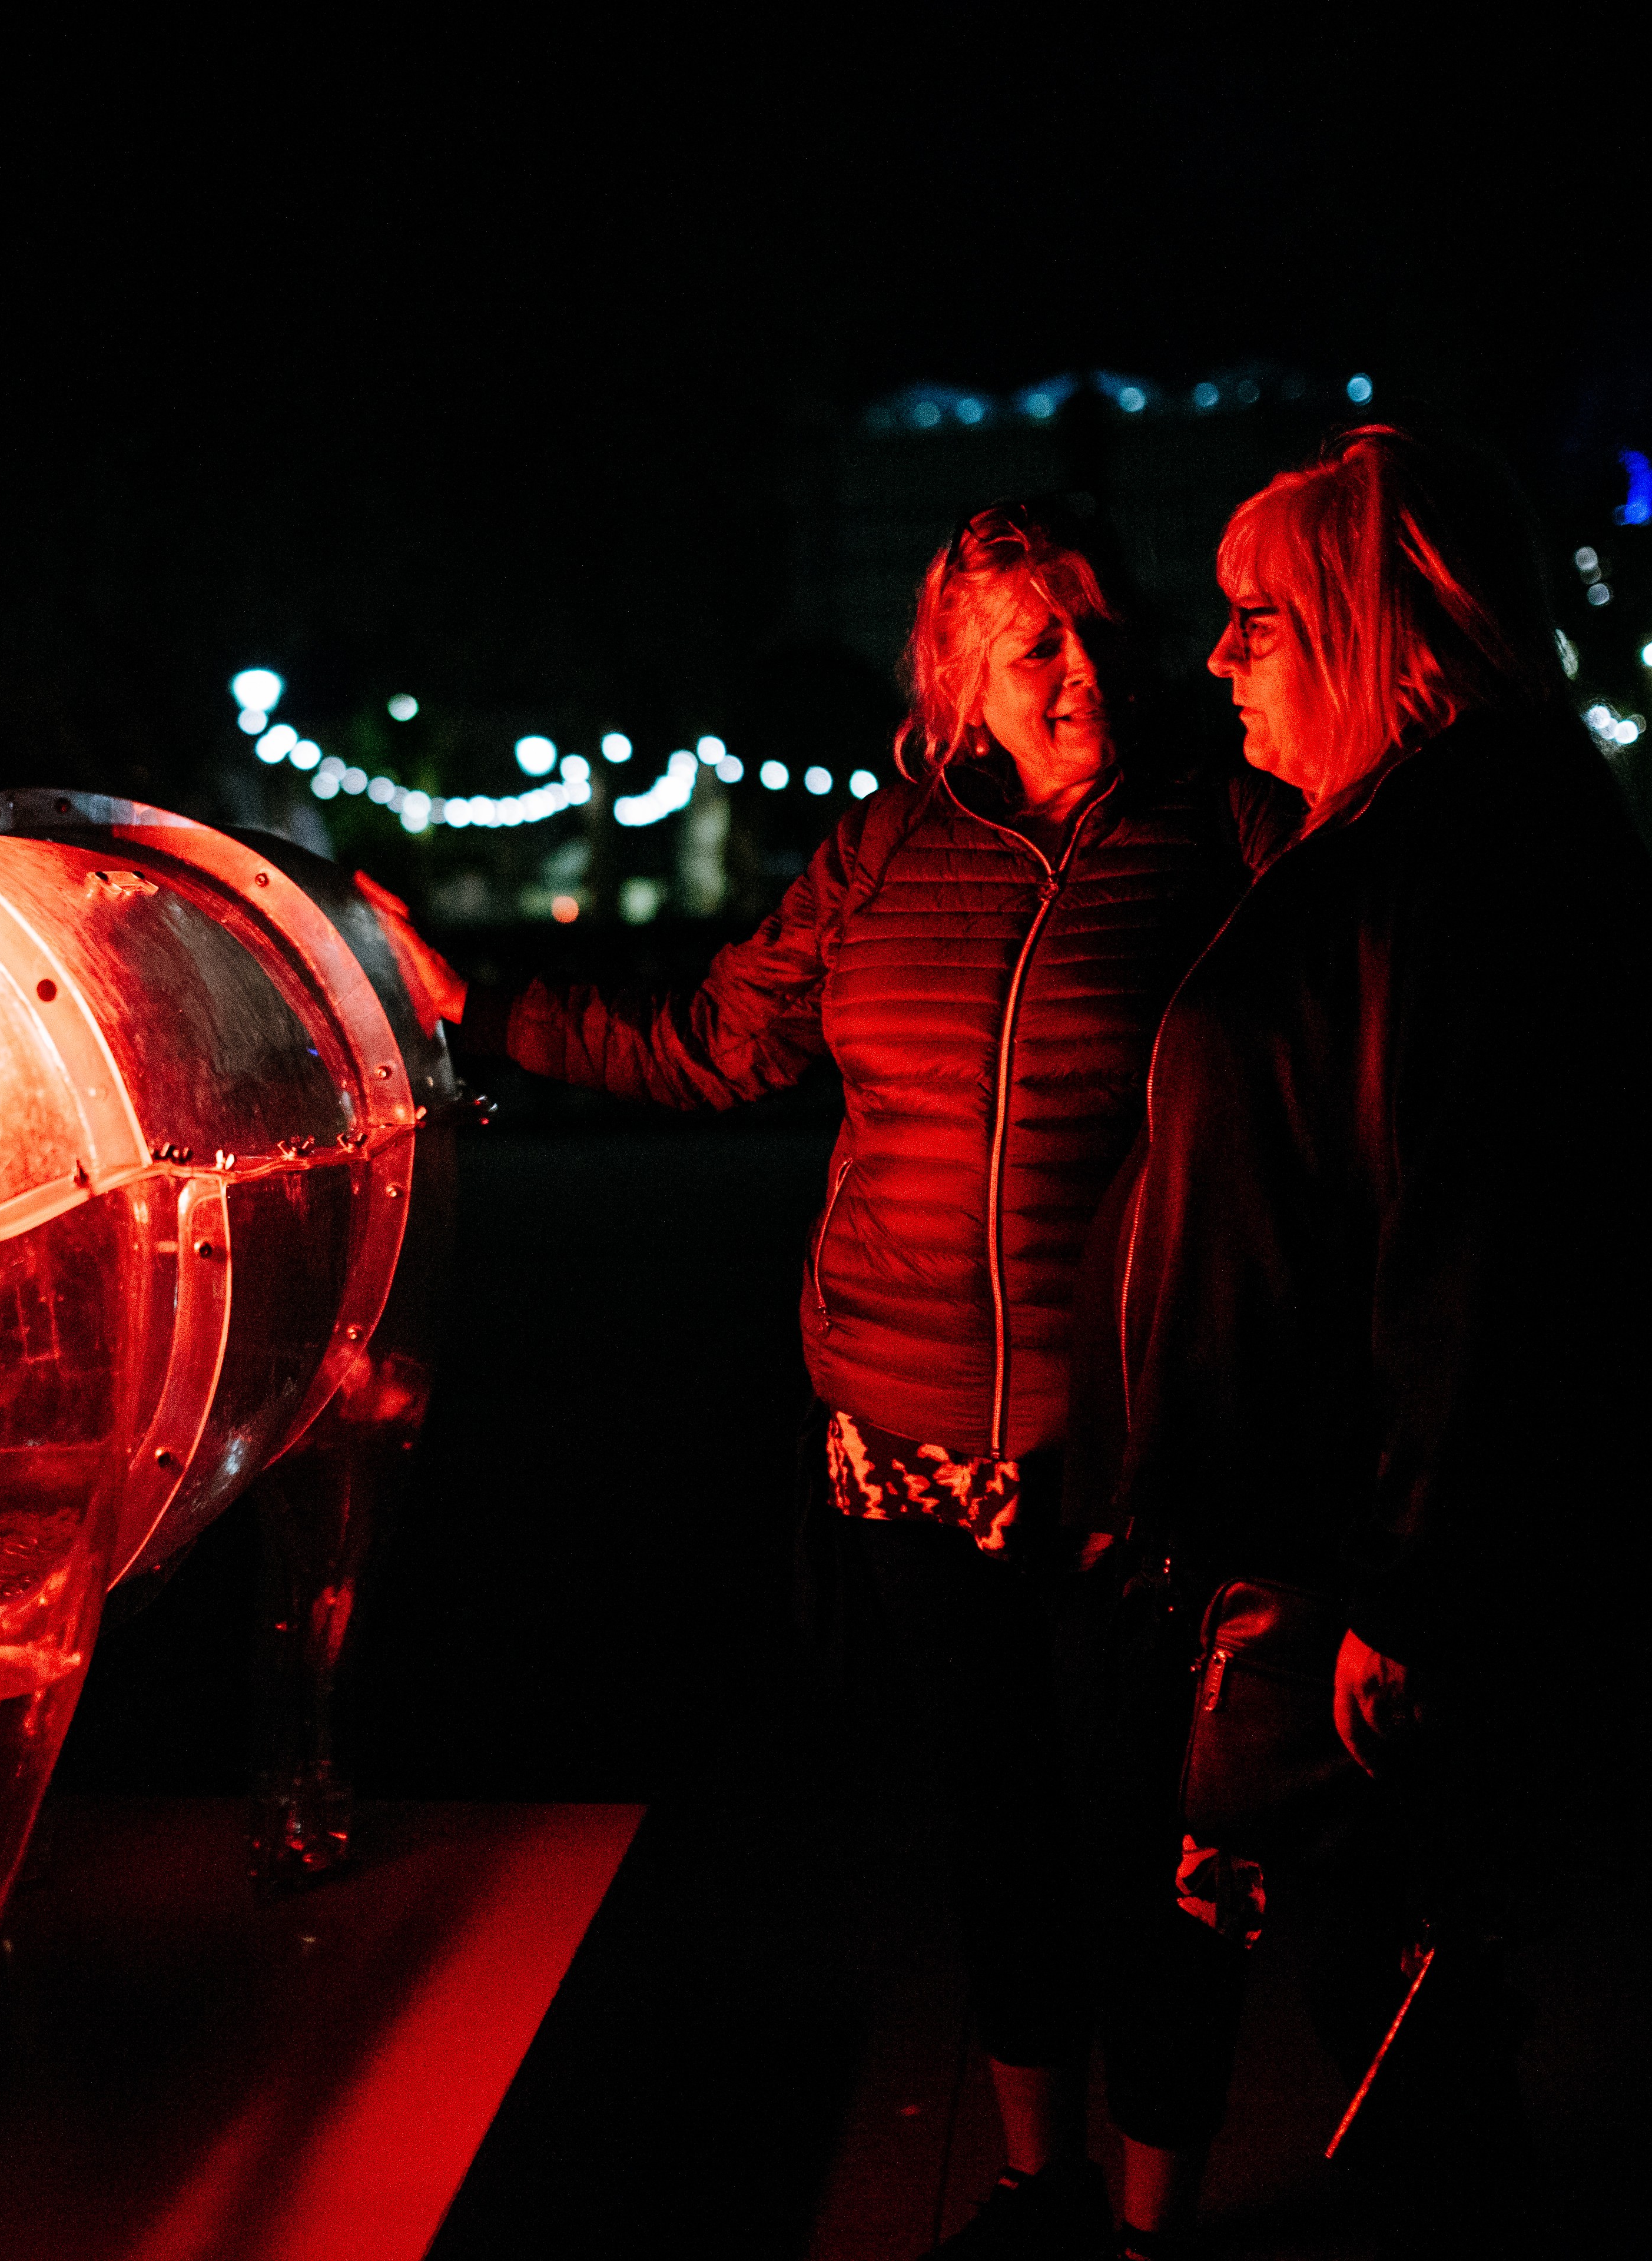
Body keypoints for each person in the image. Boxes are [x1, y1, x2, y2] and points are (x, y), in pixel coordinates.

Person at [456, 500, 1279, 2260]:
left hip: (1126, 1446)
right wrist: (489, 1009)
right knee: (995, 1823)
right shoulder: (885, 852)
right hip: (899, 1435)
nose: (1078, 671)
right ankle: (1035, 2181)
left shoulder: (1227, 838)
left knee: (1154, 1837)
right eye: (1033, 645)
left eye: (1095, 632)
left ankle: (1160, 2222)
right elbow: (713, 1045)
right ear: (962, 679)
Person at [1098, 426, 1652, 2253]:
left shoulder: (1461, 858)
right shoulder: (1422, 828)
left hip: (1358, 1558)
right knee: (1375, 1972)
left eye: (1253, 622)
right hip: (1331, 1535)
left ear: (1369, 625)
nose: (1214, 660)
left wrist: (1409, 1588)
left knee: (1383, 1979)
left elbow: (1483, 1246)